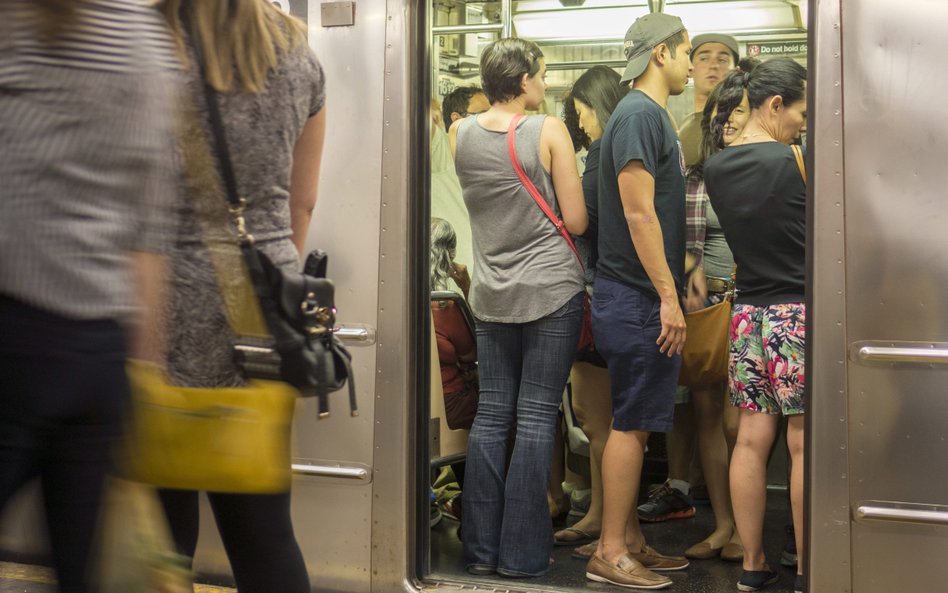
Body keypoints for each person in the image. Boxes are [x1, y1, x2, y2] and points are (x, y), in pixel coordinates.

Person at [0, 1, 178, 591]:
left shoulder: (18, 19)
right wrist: (138, 371)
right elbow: (150, 233)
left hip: (14, 329)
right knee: (82, 568)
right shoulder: (146, 40)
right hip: (98, 349)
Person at [156, 2, 327, 592]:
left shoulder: (151, 49)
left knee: (160, 535)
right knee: (263, 532)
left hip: (162, 303)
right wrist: (266, 283)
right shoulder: (298, 58)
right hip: (258, 310)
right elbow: (299, 203)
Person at [450, 37, 586, 578]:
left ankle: (480, 553)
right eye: (543, 73)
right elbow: (574, 222)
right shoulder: (545, 130)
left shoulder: (459, 133)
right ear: (523, 78)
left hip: (490, 293)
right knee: (534, 420)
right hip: (550, 290)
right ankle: (524, 554)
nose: (547, 83)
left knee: (491, 417)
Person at [584, 13, 692, 590]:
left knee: (640, 423)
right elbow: (637, 211)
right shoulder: (637, 115)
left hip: (638, 295)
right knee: (630, 425)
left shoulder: (645, 116)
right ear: (661, 55)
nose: (690, 68)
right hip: (636, 298)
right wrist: (669, 298)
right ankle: (608, 551)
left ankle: (631, 540)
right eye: (686, 55)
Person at [704, 57, 807, 593]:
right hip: (799, 313)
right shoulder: (797, 158)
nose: (803, 123)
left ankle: (752, 564)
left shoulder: (716, 168)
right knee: (802, 443)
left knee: (749, 441)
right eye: (800, 111)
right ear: (774, 105)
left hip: (748, 316)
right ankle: (813, 562)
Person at [638, 33, 738, 529]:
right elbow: (661, 209)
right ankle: (682, 487)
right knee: (686, 398)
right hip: (690, 283)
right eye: (704, 56)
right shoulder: (675, 127)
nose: (714, 65)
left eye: (725, 57)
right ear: (689, 67)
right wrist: (682, 268)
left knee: (732, 416)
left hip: (737, 288)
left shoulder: (750, 128)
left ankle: (738, 516)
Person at [552, 65, 629, 548]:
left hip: (599, 289)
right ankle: (601, 515)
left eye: (582, 113)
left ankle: (605, 523)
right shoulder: (620, 151)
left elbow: (585, 224)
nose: (580, 124)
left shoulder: (602, 154)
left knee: (595, 417)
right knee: (604, 420)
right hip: (617, 291)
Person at [677, 70, 752, 562]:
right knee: (707, 415)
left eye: (738, 110)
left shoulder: (766, 167)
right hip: (707, 307)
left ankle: (751, 531)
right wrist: (689, 268)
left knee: (737, 423)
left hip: (749, 303)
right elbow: (685, 238)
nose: (727, 121)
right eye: (720, 112)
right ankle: (724, 526)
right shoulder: (699, 174)